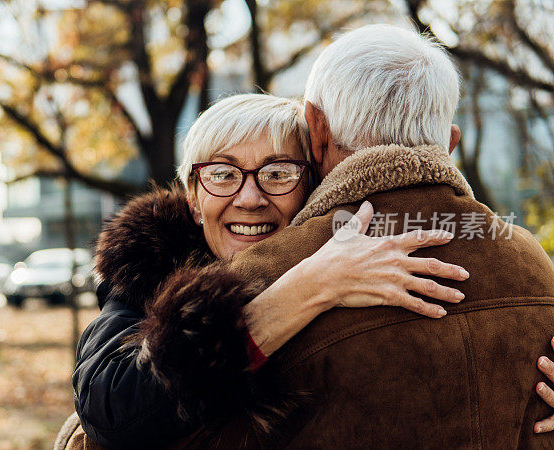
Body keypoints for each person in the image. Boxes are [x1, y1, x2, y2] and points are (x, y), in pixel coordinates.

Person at [147, 24, 554, 448]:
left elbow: (133, 429)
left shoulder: (253, 280)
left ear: (316, 129)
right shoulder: (531, 263)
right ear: (449, 143)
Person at [61, 93, 469, 450]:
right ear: (193, 199)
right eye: (223, 174)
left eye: (278, 173)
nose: (250, 198)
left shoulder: (367, 259)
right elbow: (110, 407)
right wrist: (310, 288)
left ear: (313, 186)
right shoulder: (147, 274)